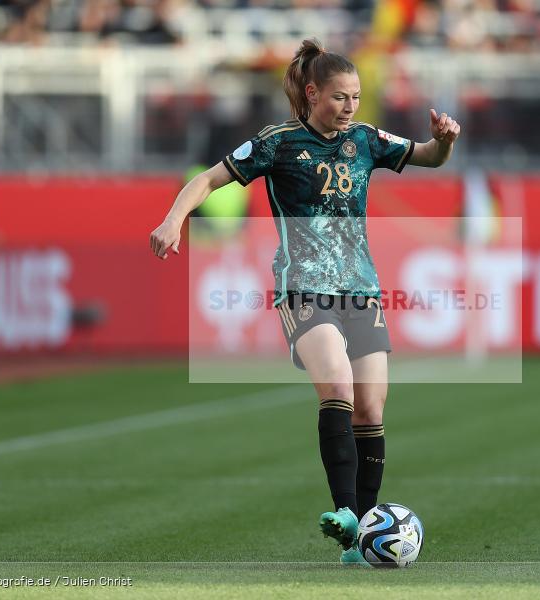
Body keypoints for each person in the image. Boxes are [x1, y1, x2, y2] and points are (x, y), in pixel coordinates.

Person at [149, 38, 460, 565]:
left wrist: (444, 141)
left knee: (371, 406)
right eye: (340, 97)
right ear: (313, 94)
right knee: (337, 385)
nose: (350, 106)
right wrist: (173, 219)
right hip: (303, 288)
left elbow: (428, 157)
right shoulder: (277, 143)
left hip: (361, 289)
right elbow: (207, 178)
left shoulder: (365, 139)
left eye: (356, 97)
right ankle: (347, 515)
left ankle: (362, 537)